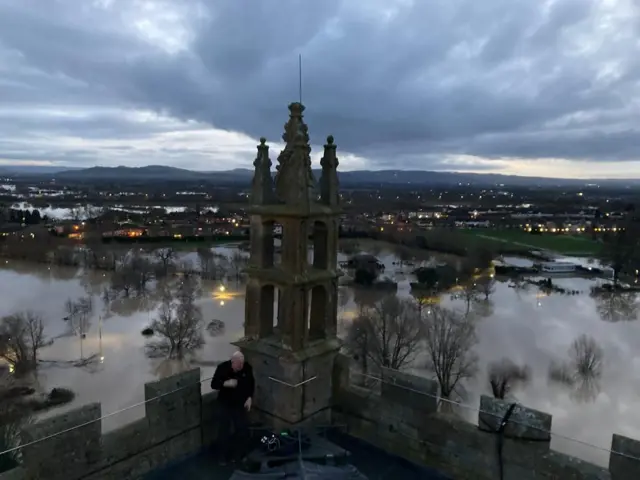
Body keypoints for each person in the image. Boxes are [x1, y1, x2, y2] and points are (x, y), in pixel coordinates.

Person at [211, 351, 254, 464]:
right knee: (224, 430)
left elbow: (251, 383)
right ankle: (222, 457)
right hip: (225, 403)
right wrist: (225, 383)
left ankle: (239, 455)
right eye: (238, 364)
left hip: (239, 403)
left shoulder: (247, 368)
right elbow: (213, 384)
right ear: (232, 362)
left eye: (242, 363)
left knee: (242, 429)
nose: (241, 366)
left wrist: (249, 397)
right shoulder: (223, 368)